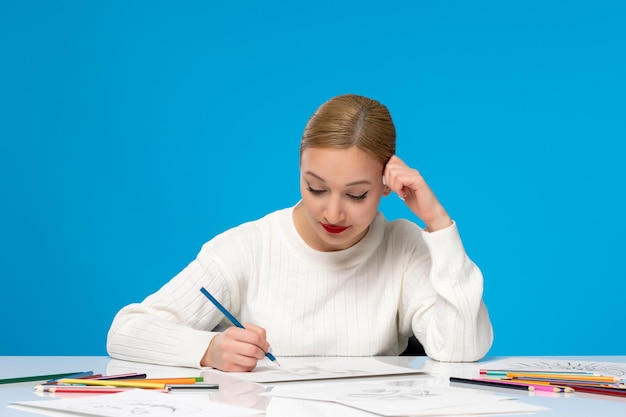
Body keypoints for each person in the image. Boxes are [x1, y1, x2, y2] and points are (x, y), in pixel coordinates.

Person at [107, 94, 493, 371]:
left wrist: (438, 223)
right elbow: (126, 330)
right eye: (316, 188)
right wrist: (208, 348)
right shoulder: (248, 247)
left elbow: (461, 349)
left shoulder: (405, 246)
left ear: (387, 185)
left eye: (357, 194)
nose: (333, 212)